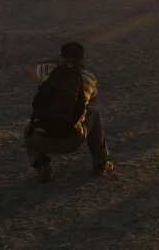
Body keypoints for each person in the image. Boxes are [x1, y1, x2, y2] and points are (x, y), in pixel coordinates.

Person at [24, 42, 113, 182]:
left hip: (43, 138)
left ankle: (41, 165)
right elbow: (92, 101)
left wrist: (53, 60)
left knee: (29, 127)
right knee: (94, 113)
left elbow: (29, 68)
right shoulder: (89, 77)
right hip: (73, 138)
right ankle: (101, 163)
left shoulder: (48, 73)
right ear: (83, 60)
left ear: (61, 57)